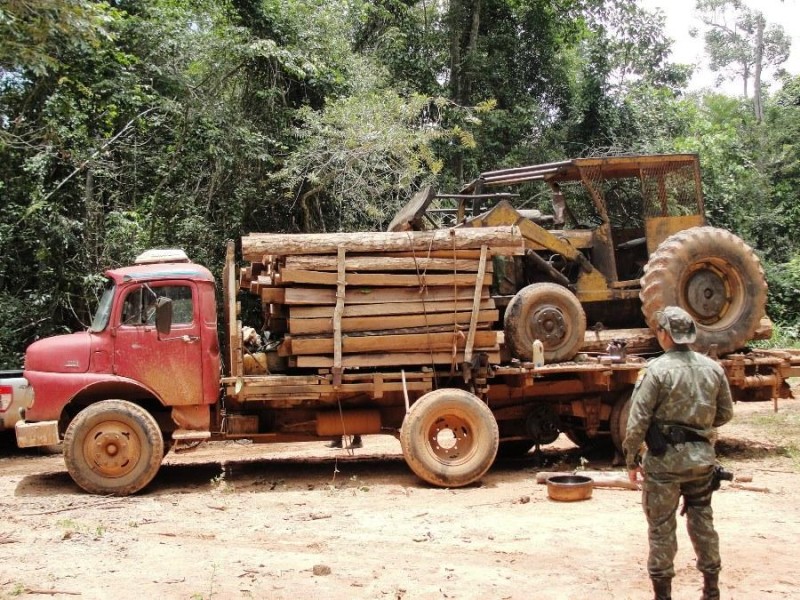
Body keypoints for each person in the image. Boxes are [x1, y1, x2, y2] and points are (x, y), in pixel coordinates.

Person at [622, 306, 734, 600]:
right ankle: (711, 590)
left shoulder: (656, 371)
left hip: (664, 465)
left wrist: (631, 460)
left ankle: (663, 595)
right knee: (703, 522)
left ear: (665, 334)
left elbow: (637, 422)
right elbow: (724, 414)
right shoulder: (713, 368)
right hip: (702, 462)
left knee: (661, 529)